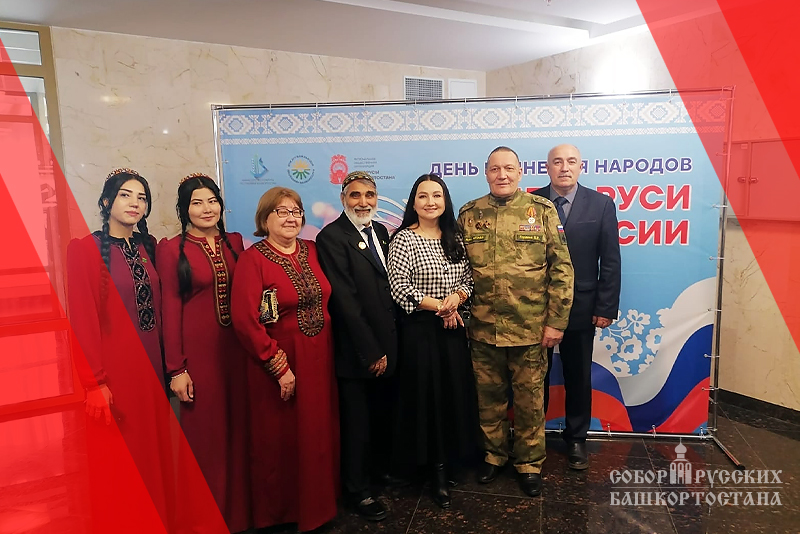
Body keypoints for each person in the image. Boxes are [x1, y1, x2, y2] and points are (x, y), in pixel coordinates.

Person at [458, 146, 574, 497]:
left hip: (530, 329)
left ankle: (529, 463)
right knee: (488, 399)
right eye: (495, 169)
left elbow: (562, 269)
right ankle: (493, 456)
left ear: (520, 172)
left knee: (529, 401)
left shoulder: (541, 210)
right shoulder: (469, 214)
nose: (502, 175)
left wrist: (556, 322)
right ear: (486, 173)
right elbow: (456, 269)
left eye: (509, 168)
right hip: (483, 328)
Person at [66, 168, 174, 528]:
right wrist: (94, 382)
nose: (134, 203)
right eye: (125, 195)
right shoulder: (85, 250)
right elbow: (83, 320)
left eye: (142, 197)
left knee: (152, 449)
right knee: (120, 454)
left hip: (151, 368)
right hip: (115, 372)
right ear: (106, 201)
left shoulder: (147, 247)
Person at [230, 186, 339, 533]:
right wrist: (278, 366)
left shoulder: (313, 250)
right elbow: (245, 320)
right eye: (282, 212)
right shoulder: (253, 259)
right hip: (278, 363)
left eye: (296, 212)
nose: (291, 218)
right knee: (280, 440)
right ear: (265, 219)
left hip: (319, 358)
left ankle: (319, 508)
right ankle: (281, 514)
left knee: (317, 434)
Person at [158, 173, 251, 531]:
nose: (206, 209)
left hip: (237, 353)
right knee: (206, 438)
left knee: (239, 433)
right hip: (198, 358)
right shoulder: (171, 249)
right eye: (196, 203)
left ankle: (239, 517)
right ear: (184, 209)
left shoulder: (235, 243)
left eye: (212, 201)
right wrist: (176, 368)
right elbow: (170, 310)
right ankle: (205, 520)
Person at [387, 174, 479, 509]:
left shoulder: (455, 236)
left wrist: (456, 298)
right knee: (426, 399)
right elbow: (399, 288)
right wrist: (440, 306)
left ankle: (452, 461)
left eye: (437, 195)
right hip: (420, 332)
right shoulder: (403, 239)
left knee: (452, 395)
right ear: (413, 203)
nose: (430, 202)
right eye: (423, 196)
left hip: (452, 331)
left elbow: (469, 279)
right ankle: (430, 469)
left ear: (445, 200)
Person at [315, 171, 398, 521]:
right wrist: (371, 351)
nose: (363, 202)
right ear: (343, 199)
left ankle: (377, 476)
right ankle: (358, 492)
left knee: (380, 417)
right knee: (357, 425)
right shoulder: (331, 237)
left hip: (387, 344)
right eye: (355, 195)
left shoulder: (381, 231)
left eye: (369, 195)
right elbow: (345, 300)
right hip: (358, 351)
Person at [534, 144, 621, 470]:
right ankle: (533, 438)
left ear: (581, 167)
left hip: (582, 305)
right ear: (548, 168)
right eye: (557, 162)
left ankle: (576, 439)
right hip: (536, 305)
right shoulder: (531, 203)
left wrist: (606, 307)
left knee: (578, 374)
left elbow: (610, 261)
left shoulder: (601, 205)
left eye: (571, 161)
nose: (564, 167)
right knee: (534, 376)